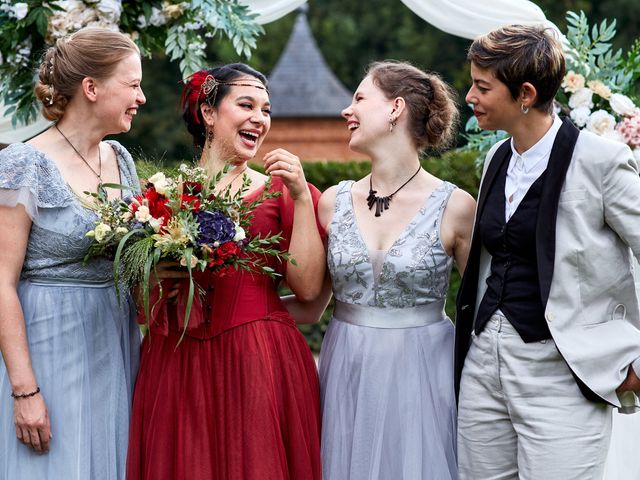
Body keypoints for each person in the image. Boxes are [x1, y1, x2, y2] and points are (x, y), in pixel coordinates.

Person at [456, 24, 640, 480]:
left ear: (525, 94)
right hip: (484, 367)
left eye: (482, 87)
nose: (469, 97)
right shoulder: (497, 158)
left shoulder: (601, 161)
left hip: (564, 376)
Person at [125, 63, 326, 480]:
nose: (260, 118)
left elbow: (308, 291)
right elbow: (140, 302)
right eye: (247, 105)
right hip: (176, 359)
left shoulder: (283, 193)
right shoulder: (162, 199)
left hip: (258, 359)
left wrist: (302, 200)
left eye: (267, 110)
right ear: (209, 113)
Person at [314, 61, 475, 480]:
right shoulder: (332, 202)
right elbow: (313, 301)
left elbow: (485, 308)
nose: (346, 111)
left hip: (423, 375)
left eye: (359, 98)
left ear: (395, 108)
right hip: (346, 370)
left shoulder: (456, 207)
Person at [0, 28, 145, 479]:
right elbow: (1, 280)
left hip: (115, 342)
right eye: (134, 84)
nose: (141, 97)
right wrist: (25, 391)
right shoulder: (24, 162)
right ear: (91, 87)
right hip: (49, 346)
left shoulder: (120, 159)